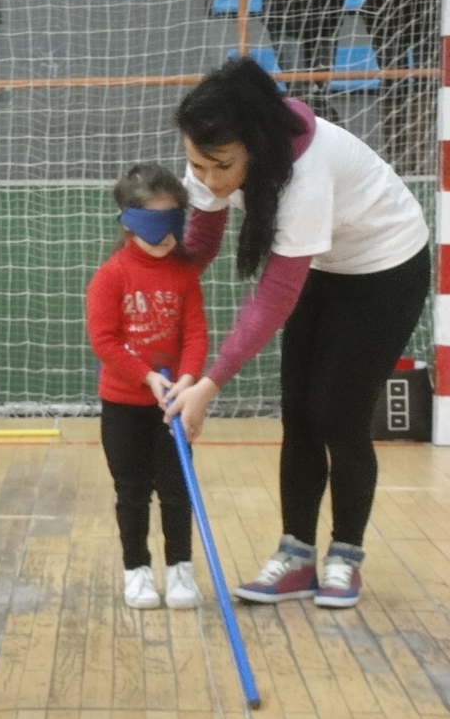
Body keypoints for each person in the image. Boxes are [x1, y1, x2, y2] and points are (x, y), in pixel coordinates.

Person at [167, 57, 430, 609]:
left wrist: (209, 385)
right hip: (324, 263)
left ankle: (346, 557)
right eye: (199, 164)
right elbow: (204, 238)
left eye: (222, 166)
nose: (209, 178)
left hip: (385, 267)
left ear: (257, 145)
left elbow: (274, 298)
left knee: (338, 413)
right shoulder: (213, 151)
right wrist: (160, 280)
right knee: (298, 411)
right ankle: (296, 556)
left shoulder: (308, 174)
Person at [86, 163, 208, 610]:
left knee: (178, 491)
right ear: (130, 222)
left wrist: (189, 382)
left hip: (172, 407)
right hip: (124, 406)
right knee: (132, 491)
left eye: (174, 224)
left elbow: (195, 333)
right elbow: (104, 340)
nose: (168, 237)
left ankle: (180, 572)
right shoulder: (111, 276)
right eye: (156, 225)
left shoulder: (184, 274)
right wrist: (147, 375)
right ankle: (136, 571)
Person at [360, 0, 440, 176]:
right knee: (392, 82)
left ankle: (418, 158)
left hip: (424, 0)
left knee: (425, 80)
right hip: (384, 1)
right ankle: (398, 158)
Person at [261, 0, 346, 123]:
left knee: (319, 90)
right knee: (300, 91)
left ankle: (323, 132)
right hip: (284, 20)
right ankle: (331, 128)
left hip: (327, 19)